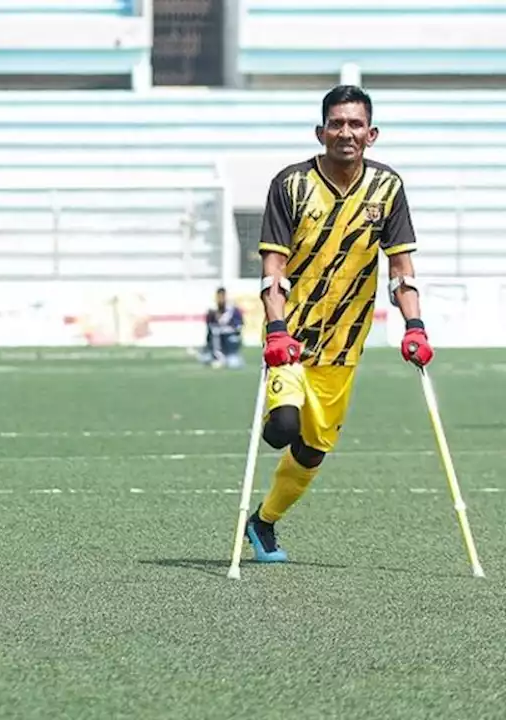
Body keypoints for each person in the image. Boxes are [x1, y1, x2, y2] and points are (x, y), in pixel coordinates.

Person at [246, 85, 431, 563]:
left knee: (313, 450)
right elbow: (273, 269)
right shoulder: (290, 184)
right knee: (282, 427)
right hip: (293, 338)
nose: (345, 132)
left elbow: (401, 268)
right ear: (320, 131)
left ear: (371, 134)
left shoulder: (387, 189)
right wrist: (275, 331)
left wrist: (415, 326)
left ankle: (263, 521)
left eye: (354, 125)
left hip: (345, 344)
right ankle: (279, 408)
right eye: (336, 123)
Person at [199, 287, 243, 369]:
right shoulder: (212, 310)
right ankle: (214, 355)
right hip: (217, 341)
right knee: (207, 358)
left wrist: (229, 328)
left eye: (222, 296)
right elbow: (209, 328)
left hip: (229, 339)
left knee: (233, 363)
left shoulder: (233, 310)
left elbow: (239, 326)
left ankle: (232, 355)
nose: (220, 299)